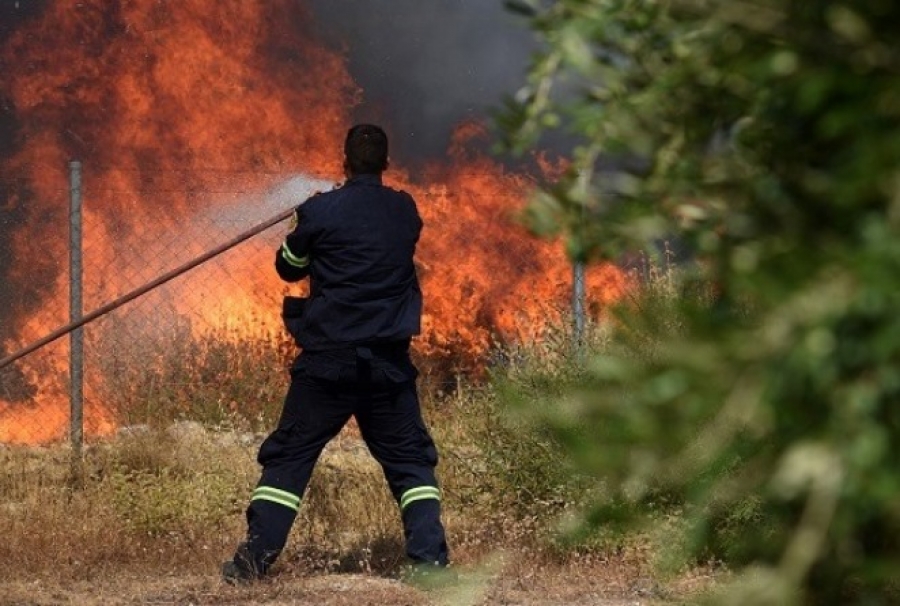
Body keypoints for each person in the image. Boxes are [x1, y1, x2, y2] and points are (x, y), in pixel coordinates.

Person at [222, 124, 449, 584]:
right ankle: (429, 563)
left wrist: (303, 225)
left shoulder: (319, 211)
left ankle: (252, 565)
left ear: (343, 161)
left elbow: (288, 268)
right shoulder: (405, 211)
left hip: (328, 362)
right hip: (387, 363)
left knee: (290, 457)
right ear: (386, 165)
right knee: (410, 461)